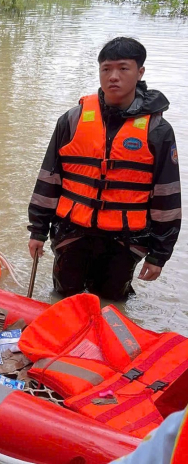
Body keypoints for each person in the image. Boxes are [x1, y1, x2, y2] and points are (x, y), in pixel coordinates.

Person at [27, 37, 181, 301]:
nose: (113, 77)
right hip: (72, 233)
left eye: (123, 68)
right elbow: (49, 179)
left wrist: (159, 254)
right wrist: (38, 230)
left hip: (125, 240)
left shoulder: (158, 130)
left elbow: (167, 196)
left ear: (140, 72)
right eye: (106, 69)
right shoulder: (72, 120)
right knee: (64, 297)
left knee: (112, 301)